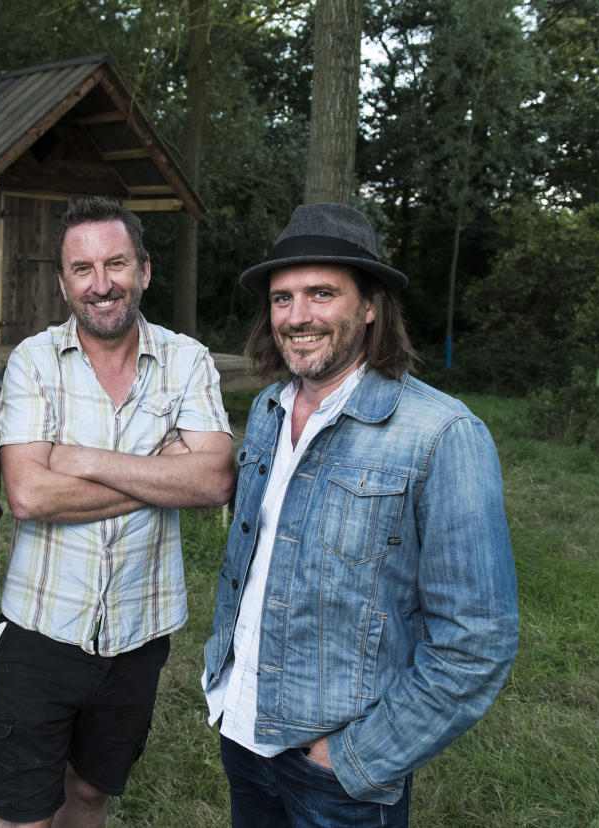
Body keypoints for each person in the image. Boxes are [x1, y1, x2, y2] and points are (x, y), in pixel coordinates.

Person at [202, 202, 519, 827]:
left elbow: (478, 643)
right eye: (282, 298)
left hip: (338, 776)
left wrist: (355, 758)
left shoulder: (442, 434)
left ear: (370, 305)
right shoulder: (268, 408)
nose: (298, 317)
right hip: (243, 734)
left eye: (322, 294)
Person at [0, 196, 236, 827]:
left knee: (91, 794)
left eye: (115, 263)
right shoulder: (34, 362)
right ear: (63, 281)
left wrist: (79, 458)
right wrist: (161, 473)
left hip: (139, 632)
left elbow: (214, 481)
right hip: (42, 630)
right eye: (83, 269)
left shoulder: (187, 360)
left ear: (144, 270)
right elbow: (30, 496)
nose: (102, 284)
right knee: (23, 815)